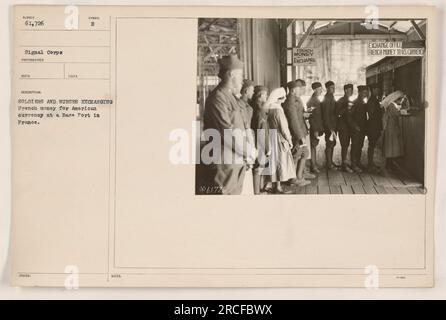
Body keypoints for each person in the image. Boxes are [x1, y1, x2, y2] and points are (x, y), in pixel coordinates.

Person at [201, 54, 255, 195]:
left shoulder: (230, 96)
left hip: (236, 161)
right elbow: (228, 133)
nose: (242, 81)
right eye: (241, 75)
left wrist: (246, 155)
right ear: (231, 74)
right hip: (225, 164)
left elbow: (242, 125)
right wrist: (249, 151)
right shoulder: (218, 98)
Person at [282, 79, 313, 187]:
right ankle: (293, 179)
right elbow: (293, 121)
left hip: (301, 131)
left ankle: (299, 177)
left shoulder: (295, 99)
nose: (301, 90)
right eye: (299, 89)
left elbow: (298, 117)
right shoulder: (291, 102)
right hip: (296, 134)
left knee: (304, 153)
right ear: (293, 90)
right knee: (296, 155)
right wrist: (300, 136)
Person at [266, 87, 296, 194]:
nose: (285, 99)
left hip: (271, 136)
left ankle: (275, 185)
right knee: (280, 161)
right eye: (283, 97)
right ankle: (278, 187)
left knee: (274, 161)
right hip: (279, 138)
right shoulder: (278, 110)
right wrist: (289, 140)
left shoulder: (269, 108)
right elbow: (284, 128)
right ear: (279, 98)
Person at [250, 85, 270, 194]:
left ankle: (259, 190)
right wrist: (267, 147)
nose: (266, 97)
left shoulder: (254, 107)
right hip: (259, 143)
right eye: (265, 94)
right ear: (261, 95)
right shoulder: (260, 111)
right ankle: (257, 192)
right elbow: (261, 130)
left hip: (255, 141)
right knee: (258, 168)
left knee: (258, 167)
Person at [380, 90, 406, 173]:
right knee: (391, 146)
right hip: (391, 128)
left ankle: (389, 163)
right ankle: (389, 164)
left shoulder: (392, 105)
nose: (401, 100)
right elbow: (397, 114)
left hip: (392, 128)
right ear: (397, 99)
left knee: (391, 146)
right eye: (401, 99)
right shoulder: (391, 106)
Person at [348, 85, 369, 173]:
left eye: (366, 93)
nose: (365, 94)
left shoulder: (364, 103)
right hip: (356, 129)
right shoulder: (353, 103)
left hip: (362, 128)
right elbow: (349, 117)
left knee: (360, 146)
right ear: (359, 92)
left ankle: (358, 162)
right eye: (363, 92)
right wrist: (355, 126)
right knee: (355, 146)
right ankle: (353, 165)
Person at [335, 84, 354, 172]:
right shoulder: (341, 101)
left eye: (352, 90)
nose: (351, 91)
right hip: (343, 127)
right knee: (344, 146)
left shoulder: (349, 100)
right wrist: (347, 108)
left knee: (346, 145)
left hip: (348, 127)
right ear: (346, 90)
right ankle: (344, 165)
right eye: (350, 90)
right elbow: (337, 113)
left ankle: (345, 163)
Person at [366, 84, 384, 173]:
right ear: (373, 90)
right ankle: (370, 164)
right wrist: (380, 112)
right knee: (372, 145)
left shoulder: (373, 99)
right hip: (373, 126)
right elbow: (371, 113)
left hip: (374, 125)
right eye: (377, 89)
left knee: (372, 145)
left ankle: (371, 163)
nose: (379, 91)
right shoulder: (373, 100)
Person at [306, 82, 324, 173]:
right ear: (315, 90)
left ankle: (314, 164)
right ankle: (313, 166)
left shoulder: (315, 99)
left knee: (314, 146)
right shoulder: (312, 101)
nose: (321, 91)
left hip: (317, 127)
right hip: (314, 128)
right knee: (313, 146)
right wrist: (315, 130)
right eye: (320, 89)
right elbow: (311, 117)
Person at [321, 80, 338, 170]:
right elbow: (326, 115)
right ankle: (329, 164)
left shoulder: (331, 97)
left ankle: (330, 162)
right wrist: (330, 128)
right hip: (330, 126)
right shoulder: (327, 99)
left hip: (333, 125)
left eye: (334, 87)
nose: (333, 89)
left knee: (332, 144)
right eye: (331, 88)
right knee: (329, 144)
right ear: (327, 88)